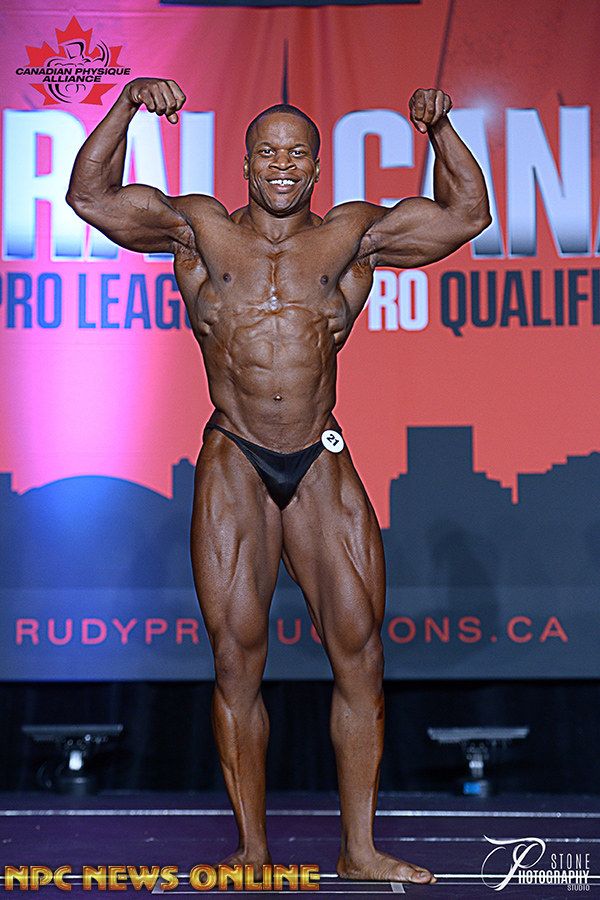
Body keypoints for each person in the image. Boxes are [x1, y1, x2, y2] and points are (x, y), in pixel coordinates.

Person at [67, 78, 491, 884]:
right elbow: (91, 197)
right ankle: (253, 851)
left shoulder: (351, 236)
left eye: (298, 153)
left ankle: (359, 851)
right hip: (235, 454)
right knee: (237, 660)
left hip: (318, 455)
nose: (283, 164)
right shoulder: (198, 230)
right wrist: (125, 106)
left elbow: (467, 214)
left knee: (360, 653)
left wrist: (441, 130)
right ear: (247, 162)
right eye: (268, 151)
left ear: (318, 166)